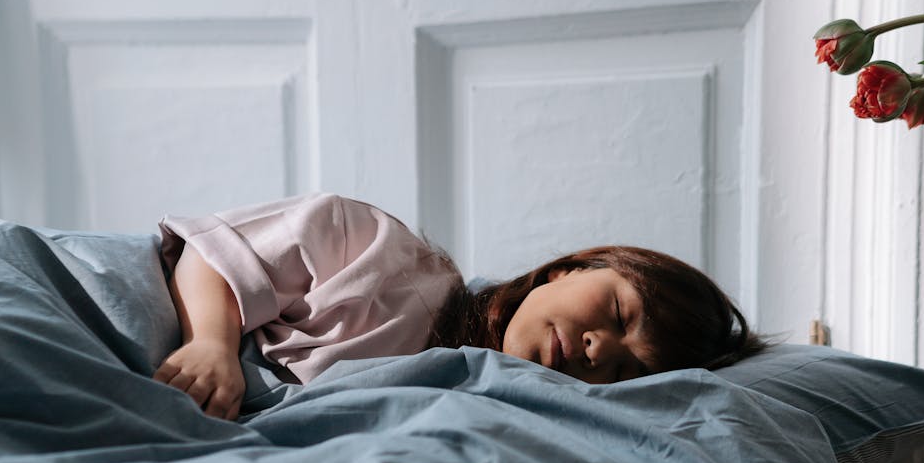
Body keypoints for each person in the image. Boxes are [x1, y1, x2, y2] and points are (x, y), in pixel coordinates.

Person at [154, 192, 764, 419]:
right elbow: (216, 253)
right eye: (619, 316)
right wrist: (210, 342)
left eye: (629, 371)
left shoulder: (491, 414)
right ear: (568, 270)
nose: (599, 350)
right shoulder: (375, 252)